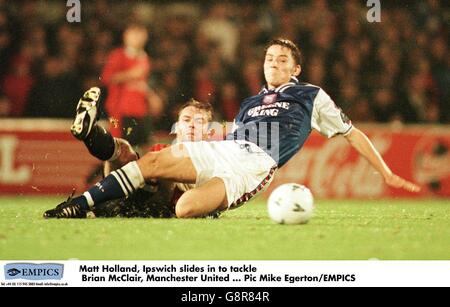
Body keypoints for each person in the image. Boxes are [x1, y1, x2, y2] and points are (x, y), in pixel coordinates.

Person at [45, 38, 420, 219]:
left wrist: (384, 171)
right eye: (269, 57)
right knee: (153, 165)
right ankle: (79, 206)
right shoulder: (250, 102)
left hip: (253, 166)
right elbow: (230, 136)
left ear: (296, 69)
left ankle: (113, 194)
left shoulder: (310, 95)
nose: (273, 62)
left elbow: (351, 133)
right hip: (225, 149)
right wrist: (199, 136)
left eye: (282, 59)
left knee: (184, 208)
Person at [45, 88, 215, 218]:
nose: (192, 125)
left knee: (160, 169)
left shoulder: (215, 161)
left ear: (209, 132)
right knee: (124, 149)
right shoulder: (162, 151)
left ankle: (101, 202)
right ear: (176, 127)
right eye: (186, 120)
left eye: (199, 121)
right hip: (139, 202)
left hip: (150, 204)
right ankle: (90, 134)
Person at [100, 22, 162, 150]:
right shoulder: (118, 55)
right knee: (119, 148)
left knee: (144, 149)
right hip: (120, 110)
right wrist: (131, 74)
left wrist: (151, 97)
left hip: (140, 110)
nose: (138, 38)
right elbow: (107, 78)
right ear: (126, 36)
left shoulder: (143, 57)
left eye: (141, 34)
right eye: (134, 34)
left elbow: (141, 84)